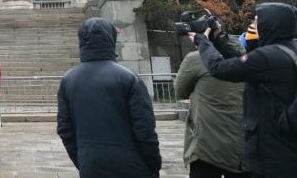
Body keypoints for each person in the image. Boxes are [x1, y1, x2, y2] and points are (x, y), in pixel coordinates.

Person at [193, 2, 297, 178]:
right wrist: (219, 38)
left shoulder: (267, 56)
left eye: (257, 22)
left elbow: (220, 69)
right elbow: (243, 63)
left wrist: (202, 42)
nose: (253, 26)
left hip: (271, 154)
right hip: (287, 149)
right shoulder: (287, 50)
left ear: (270, 24)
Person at [57, 17, 161, 178]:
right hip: (133, 165)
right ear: (111, 38)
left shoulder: (68, 80)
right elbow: (145, 129)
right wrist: (154, 165)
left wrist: (82, 159)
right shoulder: (129, 78)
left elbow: (65, 129)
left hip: (90, 164)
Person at [175, 47, 249, 177]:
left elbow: (180, 91)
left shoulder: (196, 58)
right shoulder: (249, 58)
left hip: (206, 146)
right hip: (242, 144)